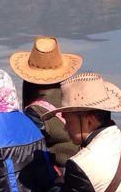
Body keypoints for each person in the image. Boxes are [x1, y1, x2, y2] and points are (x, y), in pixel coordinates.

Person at [8, 36, 82, 166]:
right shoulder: (75, 94)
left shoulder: (35, 110)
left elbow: (29, 148)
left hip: (63, 169)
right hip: (83, 160)